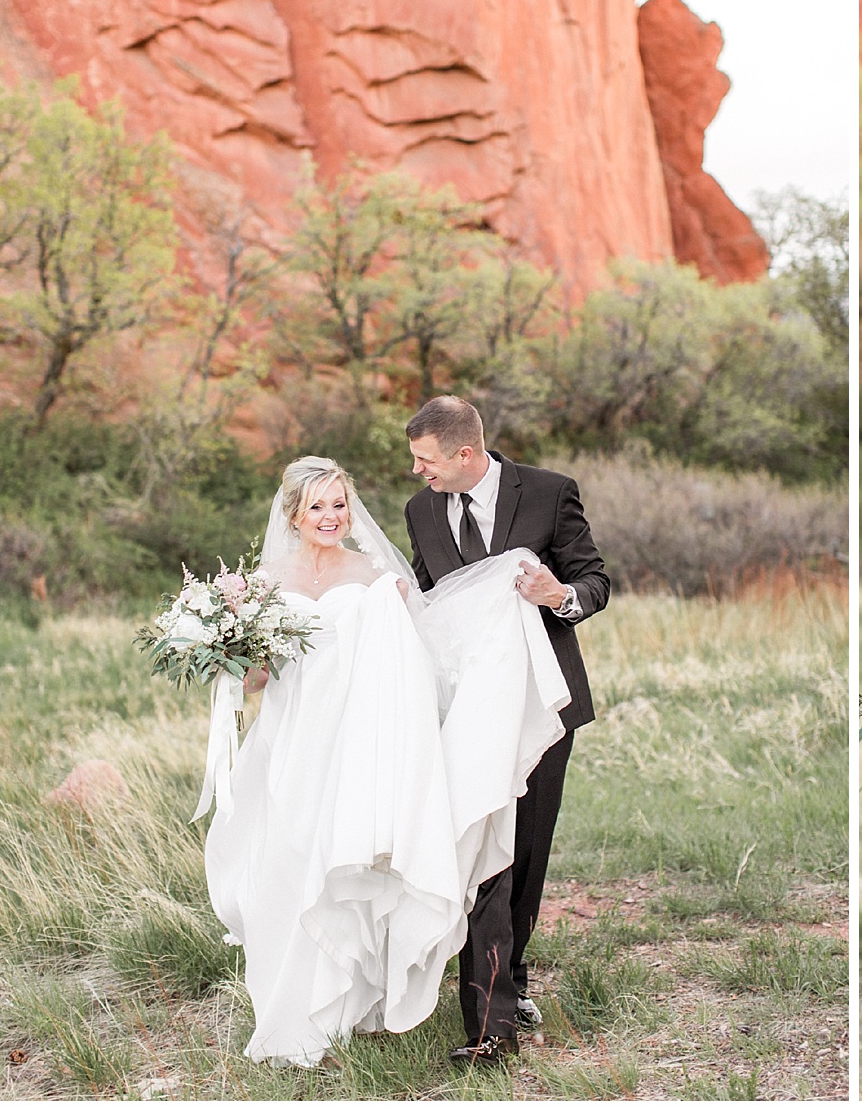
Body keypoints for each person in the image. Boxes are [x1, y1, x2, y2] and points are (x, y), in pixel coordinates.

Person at [204, 457, 464, 1067]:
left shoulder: (377, 577)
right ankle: (286, 1012)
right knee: (283, 862)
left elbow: (413, 665)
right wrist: (222, 655)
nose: (331, 516)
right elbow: (259, 676)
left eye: (340, 504)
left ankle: (347, 1009)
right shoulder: (262, 583)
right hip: (288, 738)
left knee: (337, 861)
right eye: (317, 506)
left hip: (351, 741)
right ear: (293, 513)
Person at [403, 396, 608, 1066]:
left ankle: (509, 977)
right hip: (463, 710)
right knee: (477, 842)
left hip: (540, 707)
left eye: (426, 460)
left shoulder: (549, 493)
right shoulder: (421, 512)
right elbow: (428, 602)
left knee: (525, 848)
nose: (418, 473)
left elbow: (594, 580)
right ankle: (490, 1007)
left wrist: (558, 597)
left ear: (465, 453)